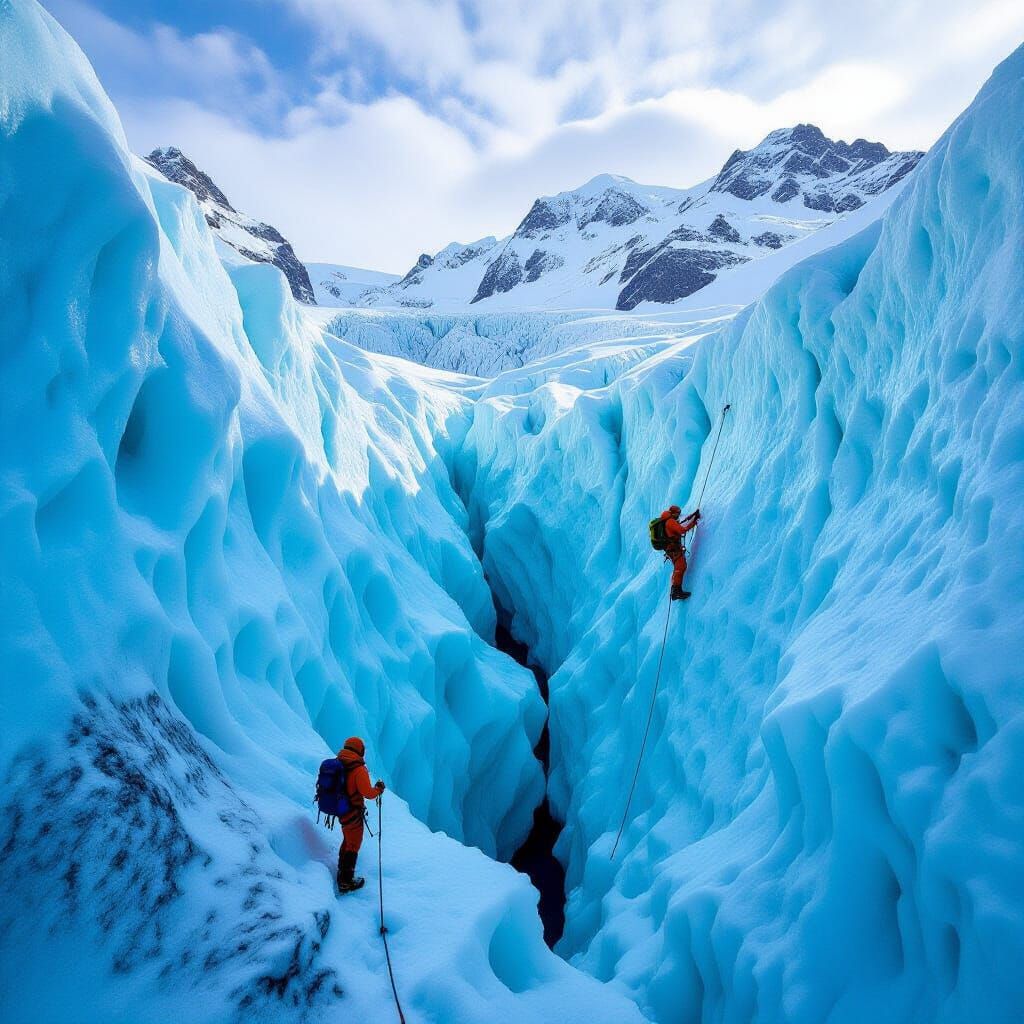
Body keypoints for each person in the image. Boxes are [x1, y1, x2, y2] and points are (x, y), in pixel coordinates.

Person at [336, 736, 385, 893]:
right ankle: (346, 881)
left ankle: (342, 870)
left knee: (347, 839)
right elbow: (368, 793)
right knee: (353, 844)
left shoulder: (339, 763)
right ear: (360, 750)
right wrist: (378, 789)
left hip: (341, 810)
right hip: (352, 812)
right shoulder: (358, 769)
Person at [660, 505, 700, 600]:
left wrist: (693, 516)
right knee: (680, 567)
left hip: (671, 549)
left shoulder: (668, 521)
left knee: (680, 567)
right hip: (673, 549)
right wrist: (694, 522)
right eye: (678, 513)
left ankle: (676, 590)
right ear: (674, 513)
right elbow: (682, 530)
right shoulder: (670, 521)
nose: (679, 515)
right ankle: (676, 591)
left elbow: (681, 522)